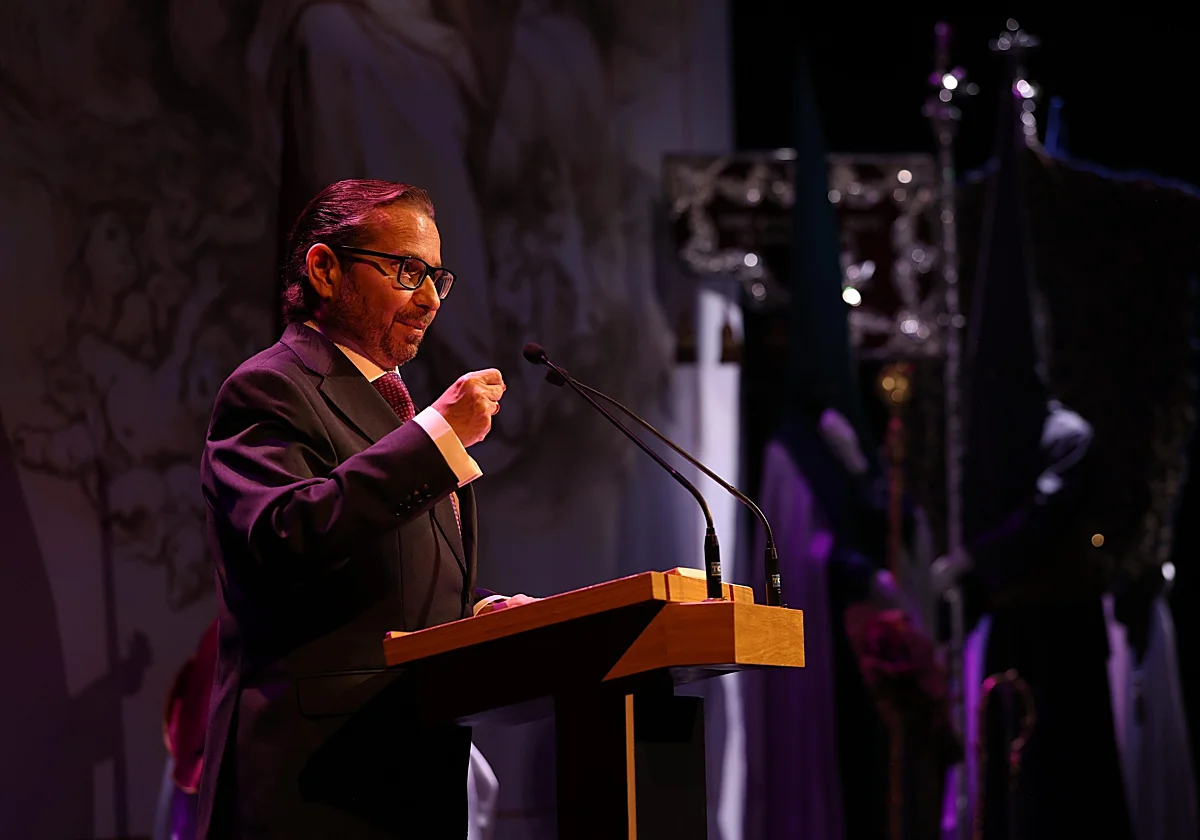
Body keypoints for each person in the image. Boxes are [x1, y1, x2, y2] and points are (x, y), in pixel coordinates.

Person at [195, 179, 531, 839]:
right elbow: (285, 534)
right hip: (314, 783)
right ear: (325, 269)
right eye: (409, 272)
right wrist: (438, 436)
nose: (431, 299)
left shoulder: (399, 414)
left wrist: (478, 611)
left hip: (411, 771)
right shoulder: (269, 388)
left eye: (437, 277)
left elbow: (390, 571)